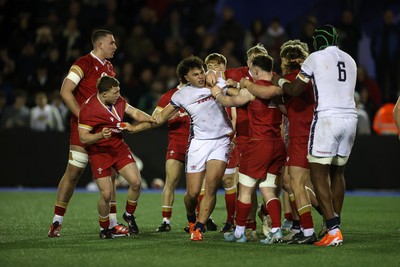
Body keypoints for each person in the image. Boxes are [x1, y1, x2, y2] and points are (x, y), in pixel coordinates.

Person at [272, 25, 358, 246]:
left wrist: (279, 81)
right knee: (338, 173)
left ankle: (332, 229)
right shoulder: (350, 59)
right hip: (350, 118)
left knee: (318, 174)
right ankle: (334, 222)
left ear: (318, 42)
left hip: (327, 118)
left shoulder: (315, 57)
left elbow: (294, 90)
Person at [47, 29, 127, 237]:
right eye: (112, 43)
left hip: (105, 130)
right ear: (100, 44)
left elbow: (114, 98)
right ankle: (57, 221)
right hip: (84, 129)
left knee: (110, 175)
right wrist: (83, 117)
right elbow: (65, 91)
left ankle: (113, 223)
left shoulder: (109, 67)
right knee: (73, 173)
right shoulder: (83, 63)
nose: (115, 47)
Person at [153, 55, 233, 241]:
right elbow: (160, 118)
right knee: (193, 193)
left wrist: (230, 84)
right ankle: (191, 217)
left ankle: (199, 227)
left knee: (212, 186)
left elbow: (232, 89)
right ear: (186, 78)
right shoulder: (181, 95)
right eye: (195, 74)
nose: (200, 76)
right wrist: (134, 126)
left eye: (202, 72)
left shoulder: (215, 82)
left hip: (221, 140)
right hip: (199, 143)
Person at [211, 54, 286, 244]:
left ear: (256, 70)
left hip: (257, 145)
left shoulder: (252, 91)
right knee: (269, 190)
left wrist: (217, 93)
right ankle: (276, 231)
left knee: (244, 190)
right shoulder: (279, 90)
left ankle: (240, 233)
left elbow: (229, 103)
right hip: (277, 144)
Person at [78, 75, 155, 238]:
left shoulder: (118, 100)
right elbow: (83, 137)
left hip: (118, 147)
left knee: (136, 182)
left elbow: (134, 112)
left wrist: (152, 118)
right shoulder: (88, 108)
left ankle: (128, 215)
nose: (118, 95)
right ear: (104, 94)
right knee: (106, 195)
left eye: (118, 91)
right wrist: (99, 136)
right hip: (99, 152)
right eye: (115, 92)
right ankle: (104, 229)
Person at [153, 81, 191, 232]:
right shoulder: (168, 96)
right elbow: (156, 118)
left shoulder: (200, 93)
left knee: (196, 186)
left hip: (196, 144)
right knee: (171, 181)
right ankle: (165, 221)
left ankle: (198, 220)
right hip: (176, 143)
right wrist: (168, 115)